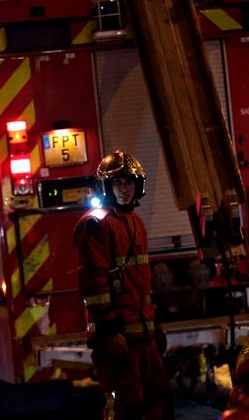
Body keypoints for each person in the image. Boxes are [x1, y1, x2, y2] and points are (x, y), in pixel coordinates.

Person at [74, 150, 171, 420]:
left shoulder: (135, 222)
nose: (125, 189)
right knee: (127, 405)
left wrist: (153, 324)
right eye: (118, 183)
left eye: (129, 182)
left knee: (157, 398)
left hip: (143, 335)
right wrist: (109, 331)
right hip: (118, 338)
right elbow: (92, 282)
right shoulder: (95, 224)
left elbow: (141, 282)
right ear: (107, 187)